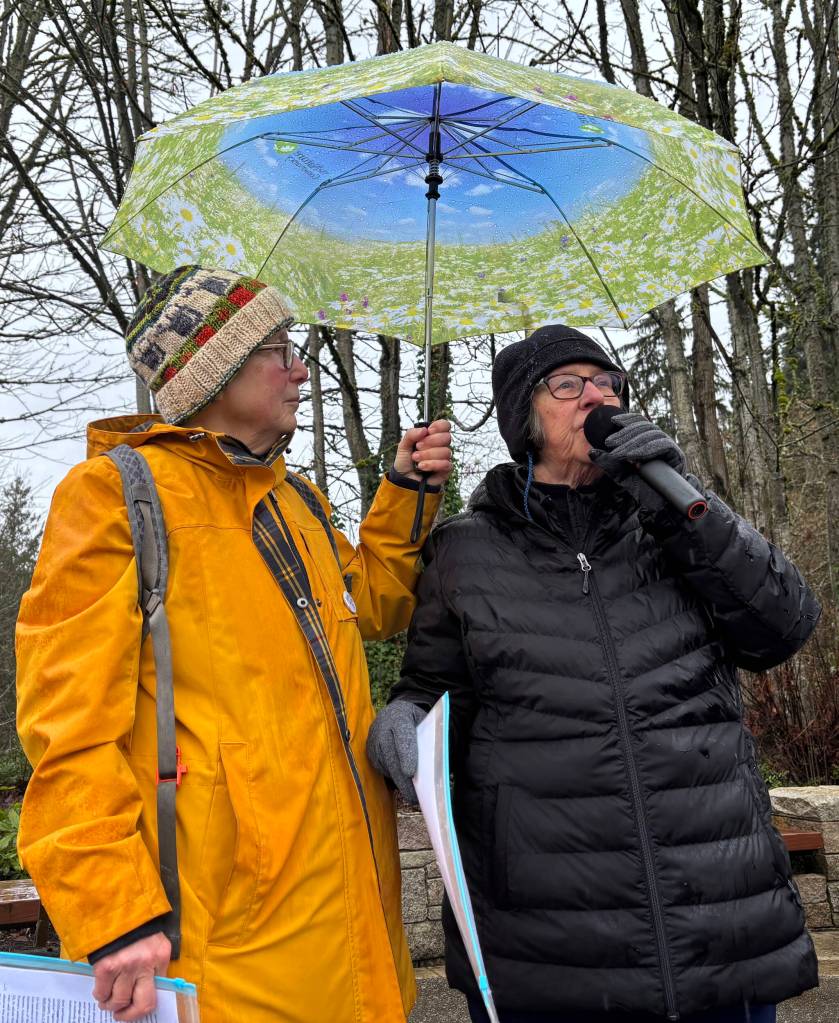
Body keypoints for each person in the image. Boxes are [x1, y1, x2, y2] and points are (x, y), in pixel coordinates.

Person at [16, 265, 453, 1023]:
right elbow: (68, 730)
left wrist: (406, 487)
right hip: (223, 941)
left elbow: (375, 602)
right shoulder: (113, 497)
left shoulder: (299, 501)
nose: (300, 369)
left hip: (352, 910)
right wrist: (113, 912)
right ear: (213, 372)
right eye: (278, 350)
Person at [367, 324, 820, 1023]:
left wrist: (683, 502)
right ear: (525, 415)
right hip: (550, 937)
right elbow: (430, 689)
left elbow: (782, 627)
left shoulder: (674, 520)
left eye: (608, 383)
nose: (596, 397)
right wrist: (403, 720)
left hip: (714, 919)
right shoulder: (465, 548)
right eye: (569, 385)